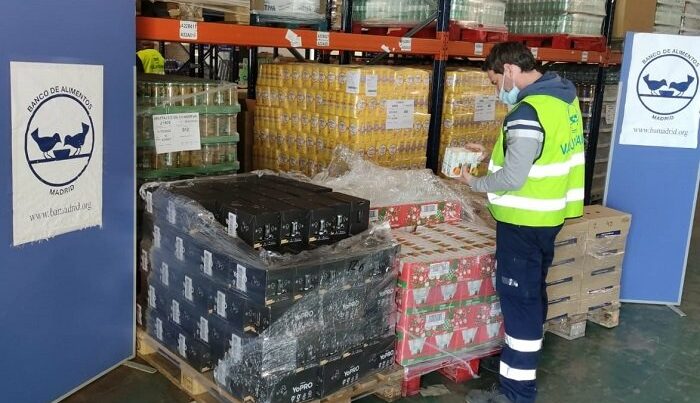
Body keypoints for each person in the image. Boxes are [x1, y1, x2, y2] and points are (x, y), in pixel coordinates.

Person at [460, 42, 585, 403]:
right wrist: (492, 152)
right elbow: (542, 151)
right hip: (548, 217)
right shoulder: (563, 98)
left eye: (495, 81)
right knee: (533, 293)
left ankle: (516, 392)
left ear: (510, 70)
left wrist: (474, 183)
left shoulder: (528, 109)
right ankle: (520, 360)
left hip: (522, 223)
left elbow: (513, 178)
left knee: (520, 302)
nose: (497, 91)